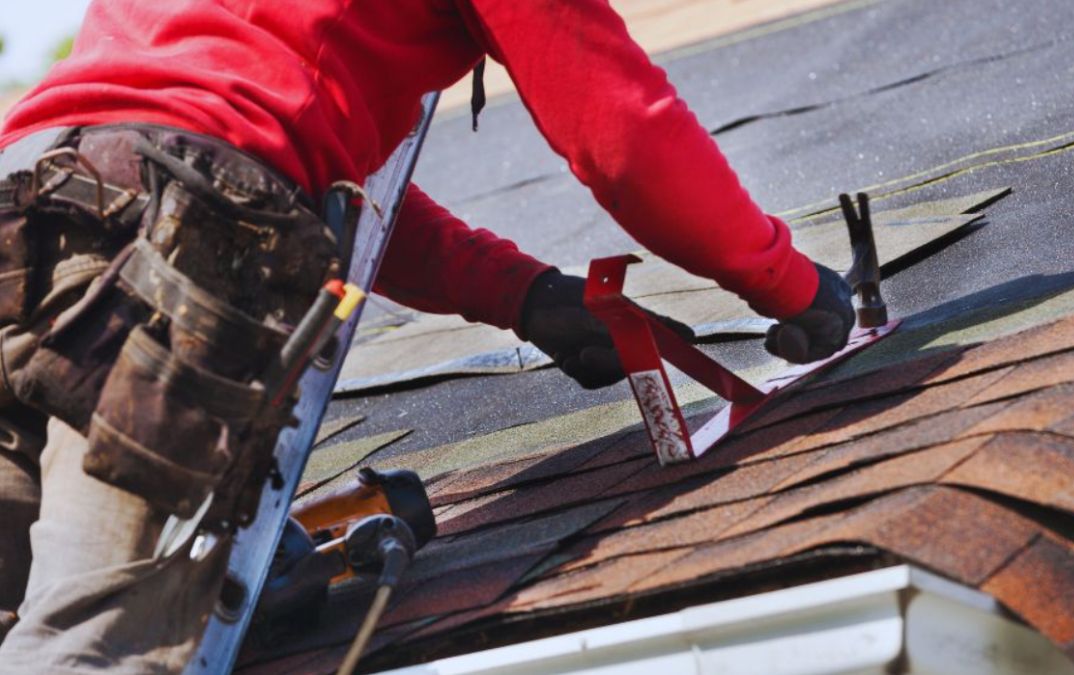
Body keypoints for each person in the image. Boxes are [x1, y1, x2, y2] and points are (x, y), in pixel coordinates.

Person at [0, 0, 854, 670]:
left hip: (28, 208)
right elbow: (622, 135)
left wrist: (523, 294)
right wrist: (786, 281)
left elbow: (272, 161)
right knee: (98, 641)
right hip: (182, 248)